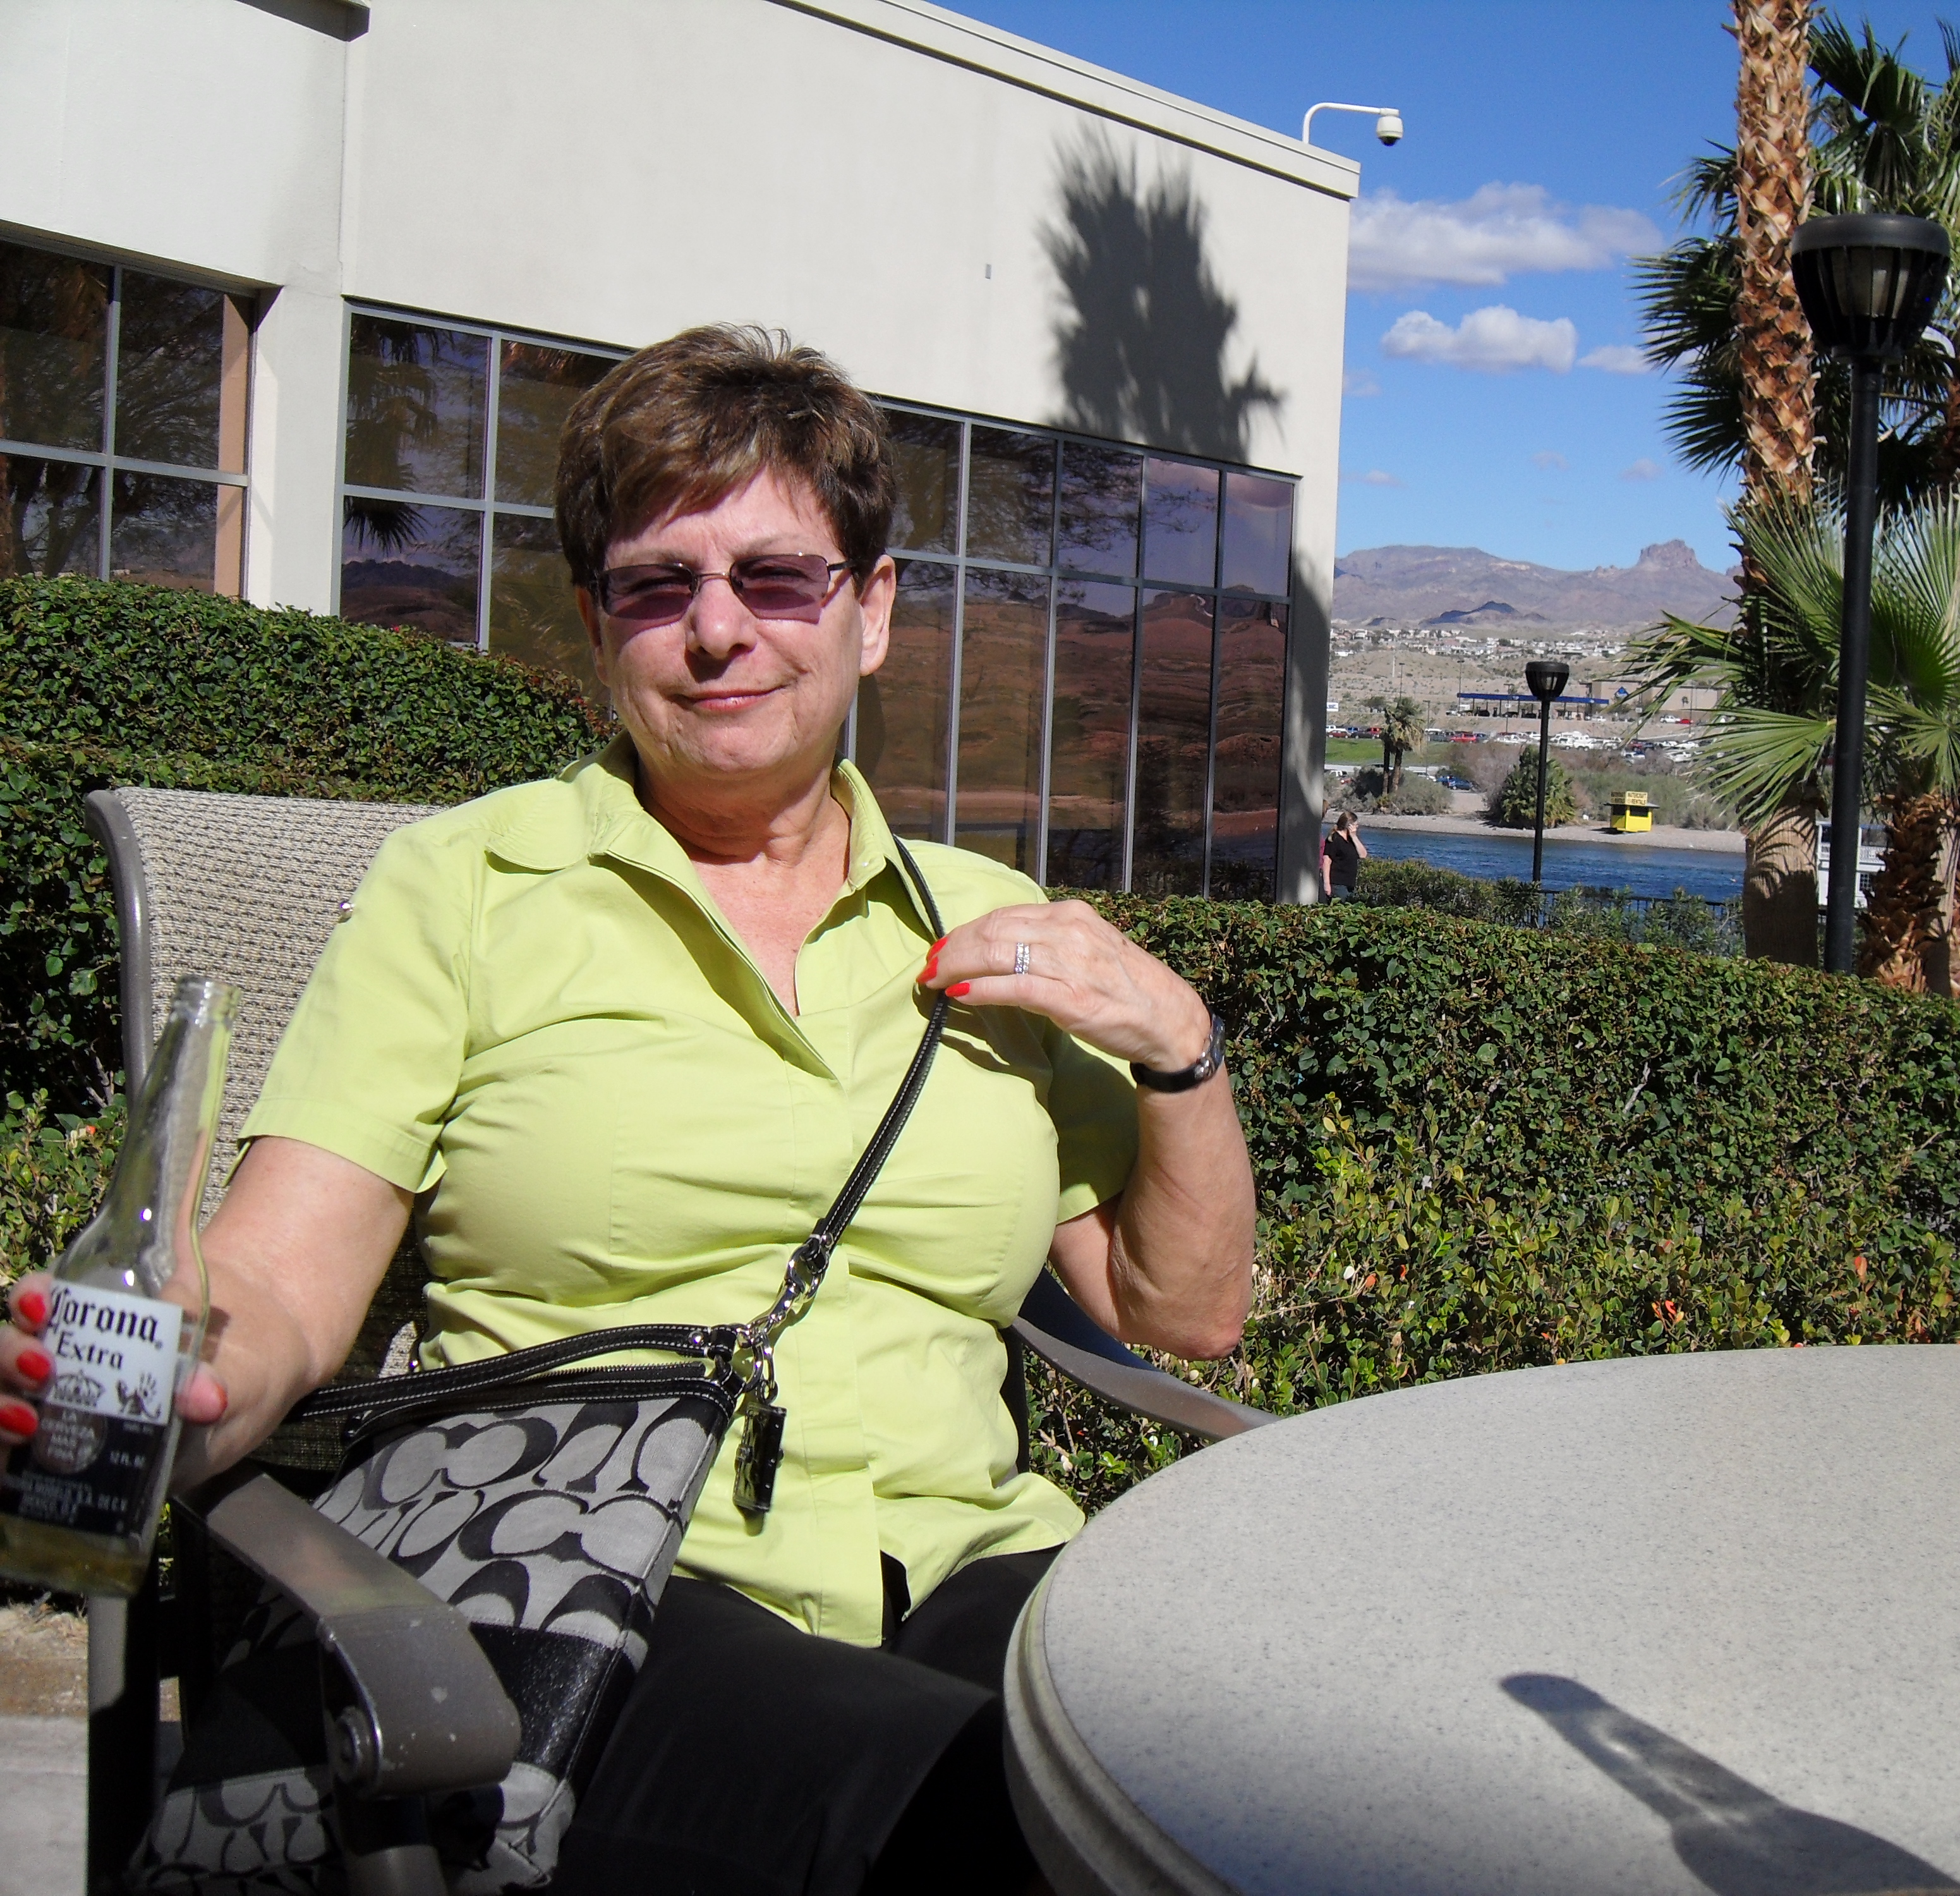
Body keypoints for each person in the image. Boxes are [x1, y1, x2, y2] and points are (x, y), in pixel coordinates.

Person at [1, 326, 1257, 1895]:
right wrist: (182, 1355)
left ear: (870, 613)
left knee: (1251, 1789)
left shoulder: (992, 924)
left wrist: (1179, 1043)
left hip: (972, 1552)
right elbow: (276, 1285)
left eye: (778, 578)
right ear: (601, 626)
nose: (718, 631)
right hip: (603, 1579)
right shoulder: (464, 888)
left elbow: (1178, 1311)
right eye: (660, 586)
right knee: (981, 1818)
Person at [1324, 811, 1367, 896]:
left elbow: (1363, 855)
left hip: (1350, 884)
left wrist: (1354, 837)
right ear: (1349, 826)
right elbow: (1327, 861)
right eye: (1355, 825)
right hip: (1338, 883)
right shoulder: (1334, 839)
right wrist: (1327, 884)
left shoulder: (1351, 840)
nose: (1357, 827)